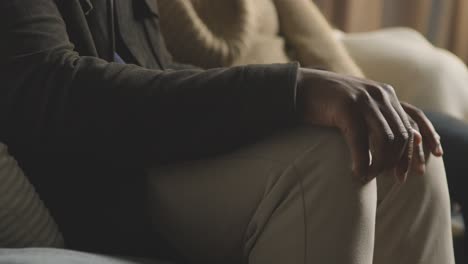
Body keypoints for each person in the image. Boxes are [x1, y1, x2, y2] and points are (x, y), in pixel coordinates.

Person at [0, 0, 455, 264]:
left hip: (154, 143)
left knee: (408, 155)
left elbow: (151, 70)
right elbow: (53, 87)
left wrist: (334, 93)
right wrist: (290, 90)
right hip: (98, 174)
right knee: (335, 160)